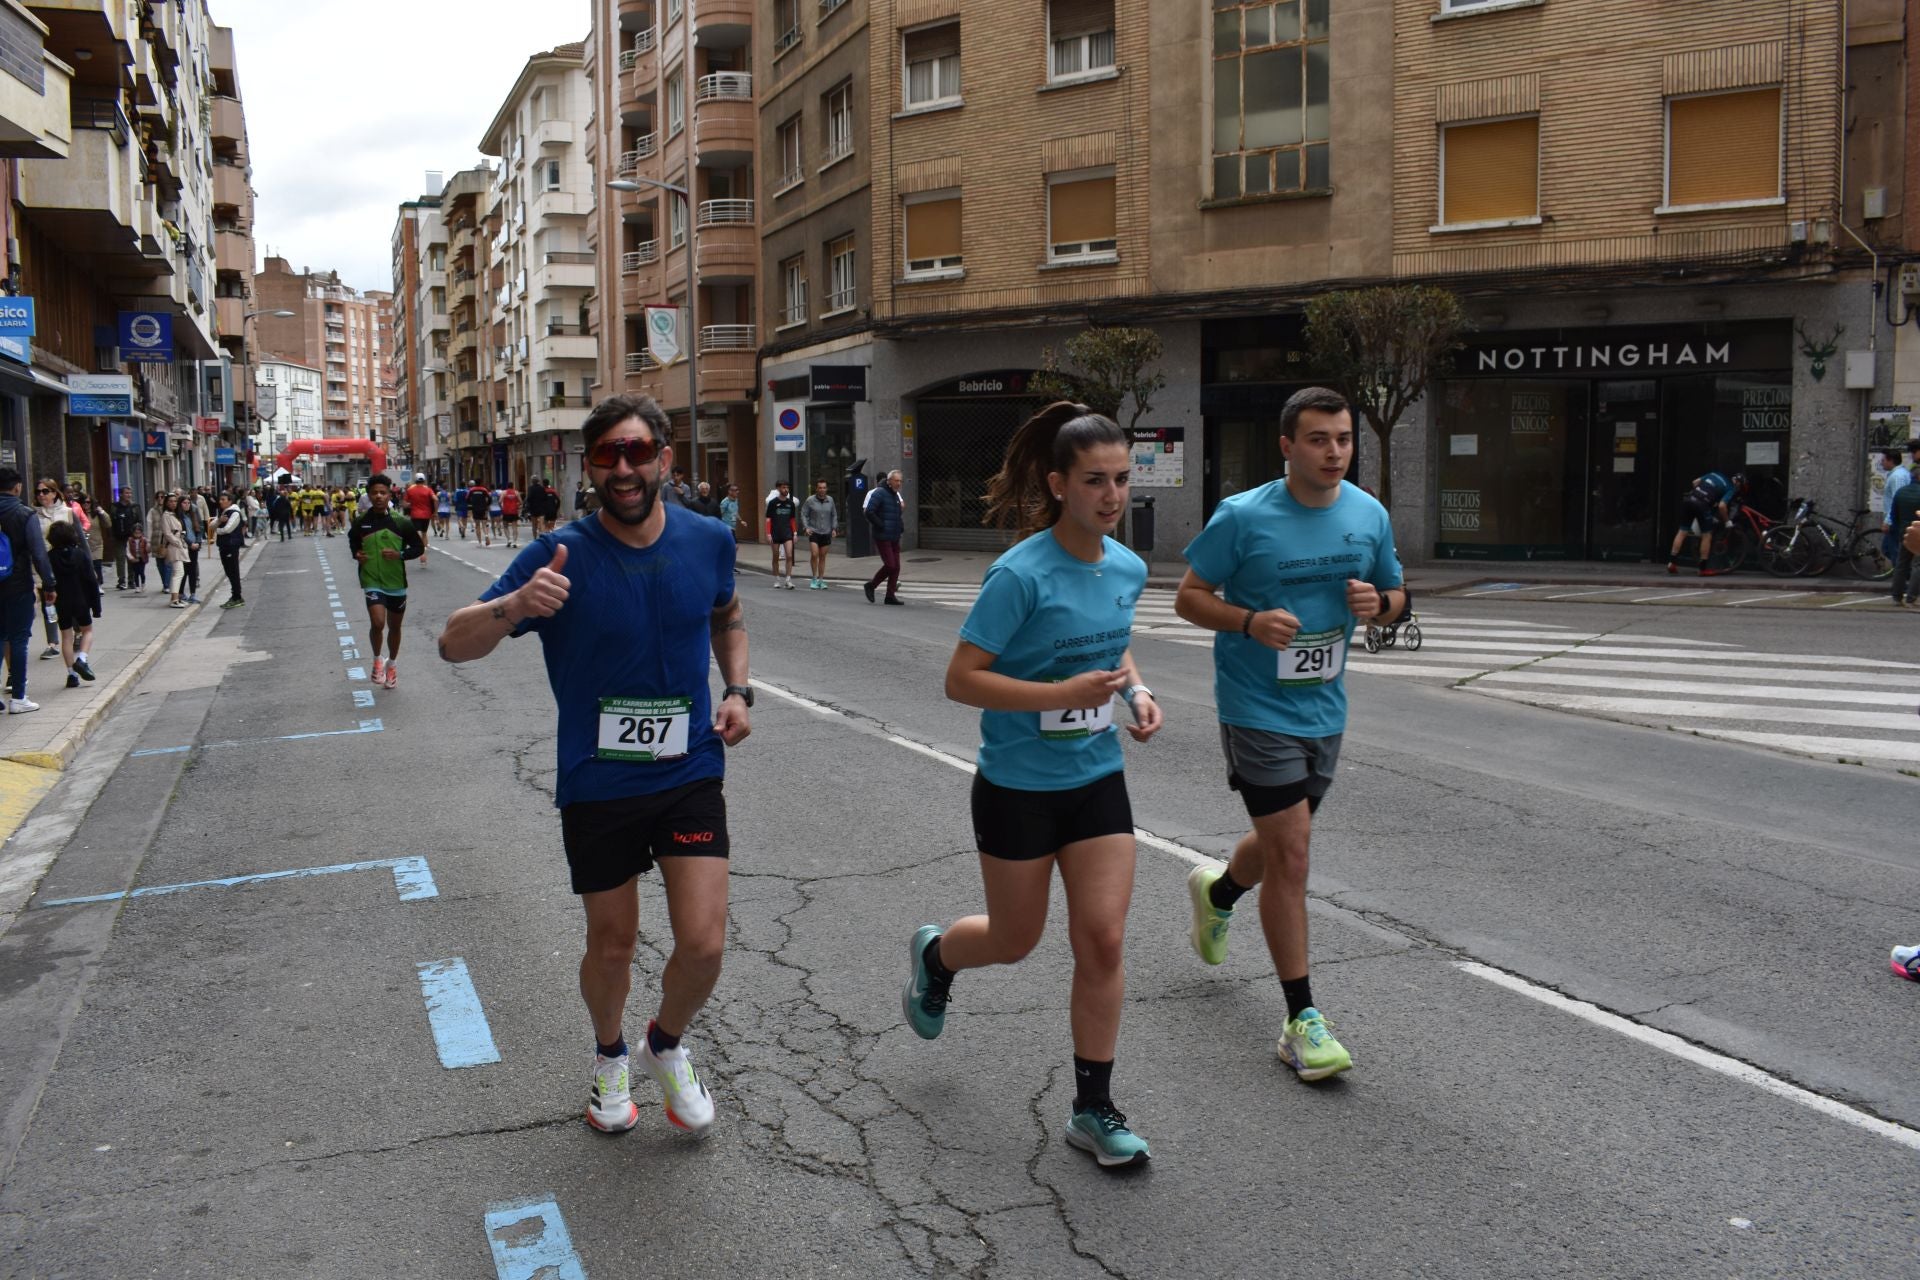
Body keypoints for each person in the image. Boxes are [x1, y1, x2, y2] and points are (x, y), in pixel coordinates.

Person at [438, 392, 750, 1138]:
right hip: (598, 779)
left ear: (665, 460)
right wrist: (516, 603)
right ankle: (611, 1055)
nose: (623, 467)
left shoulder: (708, 539)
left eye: (638, 451)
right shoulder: (556, 554)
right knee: (611, 943)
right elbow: (452, 644)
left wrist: (737, 687)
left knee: (703, 944)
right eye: (607, 454)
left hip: (689, 769)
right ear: (592, 466)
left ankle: (664, 1046)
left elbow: (726, 614)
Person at [902, 403, 1162, 1169]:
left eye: (1121, 479)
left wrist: (1134, 694)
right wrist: (1059, 694)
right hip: (1017, 784)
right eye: (1094, 482)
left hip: (1096, 777)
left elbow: (1114, 650)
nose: (1112, 496)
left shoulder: (1129, 567)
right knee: (1016, 941)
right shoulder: (1018, 574)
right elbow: (960, 681)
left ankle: (1092, 1108)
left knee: (1104, 939)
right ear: (1058, 484)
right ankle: (939, 958)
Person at [1173, 386, 1404, 1084]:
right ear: (1286, 446)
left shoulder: (1369, 515)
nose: (1334, 451)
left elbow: (1397, 600)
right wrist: (1248, 622)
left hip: (1324, 709)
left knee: (1283, 845)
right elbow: (1189, 596)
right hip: (1255, 707)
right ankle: (1301, 1020)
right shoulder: (1243, 517)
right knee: (1295, 855)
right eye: (1318, 439)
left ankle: (1219, 893)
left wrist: (1379, 606)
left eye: (1342, 439)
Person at [350, 474, 424, 690]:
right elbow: (353, 541)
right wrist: (357, 554)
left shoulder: (401, 522)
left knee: (394, 626)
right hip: (371, 579)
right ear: (369, 495)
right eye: (374, 493)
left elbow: (418, 548)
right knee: (378, 623)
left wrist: (400, 554)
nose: (379, 496)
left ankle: (392, 663)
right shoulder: (361, 522)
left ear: (389, 495)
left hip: (396, 583)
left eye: (383, 493)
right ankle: (377, 660)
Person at [0, 467, 57, 713]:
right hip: (18, 584)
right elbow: (38, 553)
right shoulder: (24, 514)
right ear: (18, 487)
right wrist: (49, 584)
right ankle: (19, 697)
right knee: (19, 639)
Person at [45, 521, 99, 688]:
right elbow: (91, 580)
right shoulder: (81, 554)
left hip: (61, 601)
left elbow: (48, 581)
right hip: (81, 599)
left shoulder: (50, 557)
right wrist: (96, 607)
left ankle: (71, 675)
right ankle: (82, 659)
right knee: (87, 631)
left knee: (66, 636)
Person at [1666, 469, 1743, 576]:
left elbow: (1694, 482)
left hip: (1690, 500)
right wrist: (1727, 522)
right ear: (1737, 484)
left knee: (1682, 531)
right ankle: (1702, 569)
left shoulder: (1715, 473)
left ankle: (1672, 563)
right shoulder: (1730, 488)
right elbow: (1722, 506)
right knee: (1706, 535)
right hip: (1703, 505)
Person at [30, 479, 73, 657]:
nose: (41, 495)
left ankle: (75, 631)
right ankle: (53, 643)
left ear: (54, 493)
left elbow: (77, 538)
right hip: (42, 566)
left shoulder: (68, 512)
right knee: (48, 603)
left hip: (65, 564)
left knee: (68, 601)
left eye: (45, 491)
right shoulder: (32, 515)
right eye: (38, 492)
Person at [864, 469, 904, 605]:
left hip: (894, 536)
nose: (899, 483)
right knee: (890, 565)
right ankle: (871, 585)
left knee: (896, 567)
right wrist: (881, 525)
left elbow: (897, 513)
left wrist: (900, 527)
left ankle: (890, 595)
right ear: (889, 481)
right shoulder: (880, 493)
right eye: (896, 481)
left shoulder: (895, 495)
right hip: (883, 536)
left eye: (900, 481)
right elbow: (869, 511)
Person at [1889, 465, 1920, 605]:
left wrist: (1898, 530)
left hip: (1904, 533)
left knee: (1901, 565)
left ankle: (1897, 597)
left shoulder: (1900, 492)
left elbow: (1894, 515)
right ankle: (1911, 597)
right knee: (1918, 565)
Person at [151, 493, 189, 607]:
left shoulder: (175, 514)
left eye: (175, 501)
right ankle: (174, 599)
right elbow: (167, 533)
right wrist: (178, 542)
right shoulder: (166, 515)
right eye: (170, 501)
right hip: (173, 546)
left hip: (178, 544)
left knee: (178, 572)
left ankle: (175, 597)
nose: (173, 503)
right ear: (167, 503)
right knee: (178, 572)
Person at [801, 479, 837, 590]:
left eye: (824, 487)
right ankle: (814, 578)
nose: (822, 490)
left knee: (822, 557)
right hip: (814, 531)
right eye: (820, 488)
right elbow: (803, 513)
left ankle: (821, 580)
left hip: (826, 532)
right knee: (814, 554)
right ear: (816, 489)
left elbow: (834, 515)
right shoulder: (810, 500)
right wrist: (806, 527)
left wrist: (834, 528)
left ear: (826, 489)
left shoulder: (830, 500)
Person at [213, 490, 247, 608]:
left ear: (230, 501)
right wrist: (218, 521)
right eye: (220, 499)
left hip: (231, 545)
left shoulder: (234, 513)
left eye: (223, 500)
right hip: (224, 545)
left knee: (233, 571)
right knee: (229, 571)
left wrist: (217, 530)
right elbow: (211, 525)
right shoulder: (223, 512)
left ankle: (237, 597)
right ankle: (235, 595)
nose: (220, 502)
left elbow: (228, 529)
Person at [765, 480, 799, 589]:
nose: (786, 490)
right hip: (775, 533)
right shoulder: (773, 503)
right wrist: (768, 534)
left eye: (787, 488)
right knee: (776, 557)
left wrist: (794, 533)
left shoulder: (790, 503)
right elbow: (768, 520)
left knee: (789, 555)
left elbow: (792, 519)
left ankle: (788, 579)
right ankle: (777, 579)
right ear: (778, 489)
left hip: (787, 533)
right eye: (784, 487)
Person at [1879, 448, 1911, 563]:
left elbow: (1896, 499)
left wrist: (1888, 521)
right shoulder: (1898, 474)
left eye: (1883, 460)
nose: (1881, 462)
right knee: (1888, 548)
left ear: (1890, 460)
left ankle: (1904, 577)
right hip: (1896, 519)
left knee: (1894, 552)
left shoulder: (1897, 476)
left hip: (1896, 520)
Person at [404, 473, 436, 567]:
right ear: (424, 480)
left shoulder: (410, 490)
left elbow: (405, 504)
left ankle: (421, 554)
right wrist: (435, 512)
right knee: (424, 534)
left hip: (415, 515)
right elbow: (436, 499)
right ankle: (424, 553)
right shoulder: (428, 489)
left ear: (415, 480)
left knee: (417, 534)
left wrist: (412, 504)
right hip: (426, 515)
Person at [178, 491, 204, 604]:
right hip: (185, 546)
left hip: (194, 545)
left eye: (188, 503)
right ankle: (181, 593)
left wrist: (198, 542)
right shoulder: (178, 517)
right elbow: (180, 534)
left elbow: (199, 529)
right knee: (184, 571)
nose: (187, 505)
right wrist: (190, 544)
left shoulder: (192, 515)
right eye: (184, 503)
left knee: (192, 570)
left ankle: (193, 594)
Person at [111, 490, 140, 589]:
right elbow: (111, 522)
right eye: (126, 493)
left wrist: (138, 534)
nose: (129, 495)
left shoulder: (135, 506)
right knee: (120, 559)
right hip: (119, 537)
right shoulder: (114, 507)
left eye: (130, 493)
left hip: (131, 537)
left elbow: (139, 521)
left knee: (131, 559)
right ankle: (121, 580)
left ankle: (131, 581)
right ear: (121, 495)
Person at [124, 522, 148, 594]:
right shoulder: (130, 540)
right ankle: (137, 586)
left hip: (142, 558)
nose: (137, 535)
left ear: (141, 533)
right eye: (136, 533)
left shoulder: (144, 540)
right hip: (134, 558)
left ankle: (143, 584)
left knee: (141, 572)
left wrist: (148, 549)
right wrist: (131, 557)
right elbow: (127, 550)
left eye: (139, 533)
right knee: (136, 573)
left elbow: (147, 549)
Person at [470, 480, 495, 547]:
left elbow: (467, 498)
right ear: (481, 483)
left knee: (477, 525)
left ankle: (480, 543)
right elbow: (490, 498)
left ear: (475, 483)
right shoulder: (484, 490)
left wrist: (472, 504)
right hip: (483, 509)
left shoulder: (472, 490)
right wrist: (486, 504)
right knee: (484, 524)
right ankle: (486, 535)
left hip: (475, 509)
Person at [500, 481, 522, 548]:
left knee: (505, 526)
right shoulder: (516, 492)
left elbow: (499, 501)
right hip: (514, 512)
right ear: (513, 486)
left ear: (507, 486)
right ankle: (515, 542)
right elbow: (521, 502)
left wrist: (502, 507)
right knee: (514, 527)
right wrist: (517, 505)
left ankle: (509, 540)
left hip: (506, 512)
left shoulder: (504, 493)